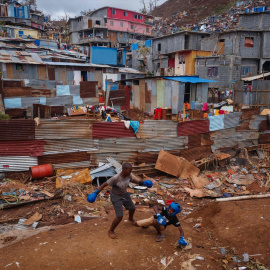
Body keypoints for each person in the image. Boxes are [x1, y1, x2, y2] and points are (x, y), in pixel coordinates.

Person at [87, 163, 153, 239]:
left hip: (125, 195)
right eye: (129, 170)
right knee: (119, 216)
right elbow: (104, 184)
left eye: (131, 170)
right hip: (116, 197)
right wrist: (96, 193)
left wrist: (142, 182)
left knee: (132, 208)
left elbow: (133, 180)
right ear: (124, 169)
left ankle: (130, 219)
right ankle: (111, 231)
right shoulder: (116, 178)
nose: (130, 172)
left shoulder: (128, 175)